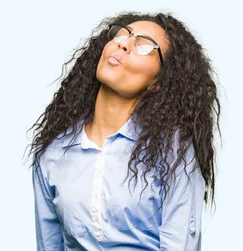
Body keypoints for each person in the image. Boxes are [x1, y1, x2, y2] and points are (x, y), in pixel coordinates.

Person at [27, 11, 220, 251]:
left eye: (144, 45)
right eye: (122, 34)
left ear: (158, 82)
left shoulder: (173, 152)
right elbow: (48, 245)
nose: (125, 44)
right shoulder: (52, 153)